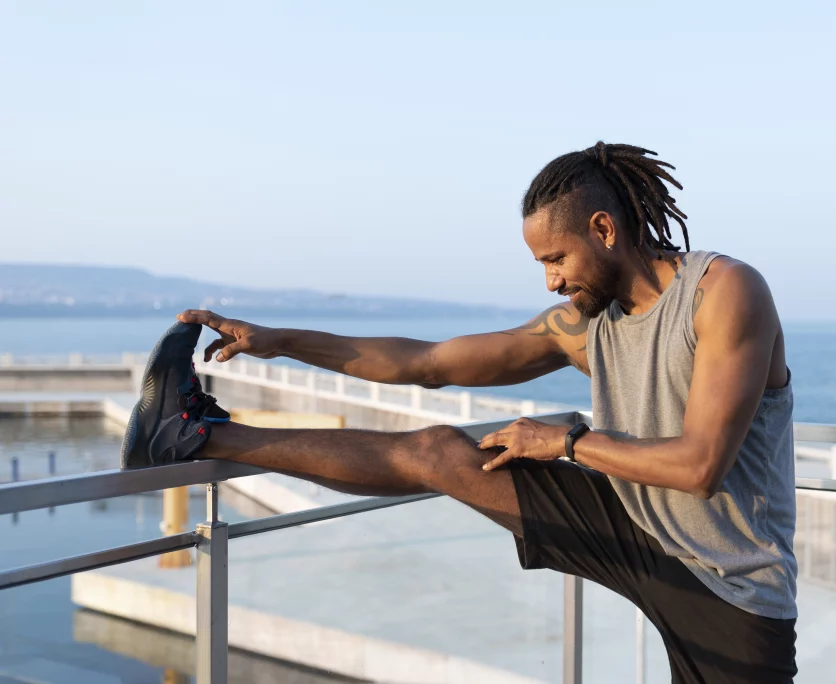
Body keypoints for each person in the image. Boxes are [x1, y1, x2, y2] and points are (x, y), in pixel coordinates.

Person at [121, 142, 798, 683]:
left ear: (604, 229)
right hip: (635, 527)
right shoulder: (582, 325)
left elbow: (701, 465)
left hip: (731, 591)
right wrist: (279, 342)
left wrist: (565, 442)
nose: (551, 280)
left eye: (557, 258)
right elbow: (428, 363)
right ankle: (193, 434)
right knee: (438, 450)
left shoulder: (724, 294)